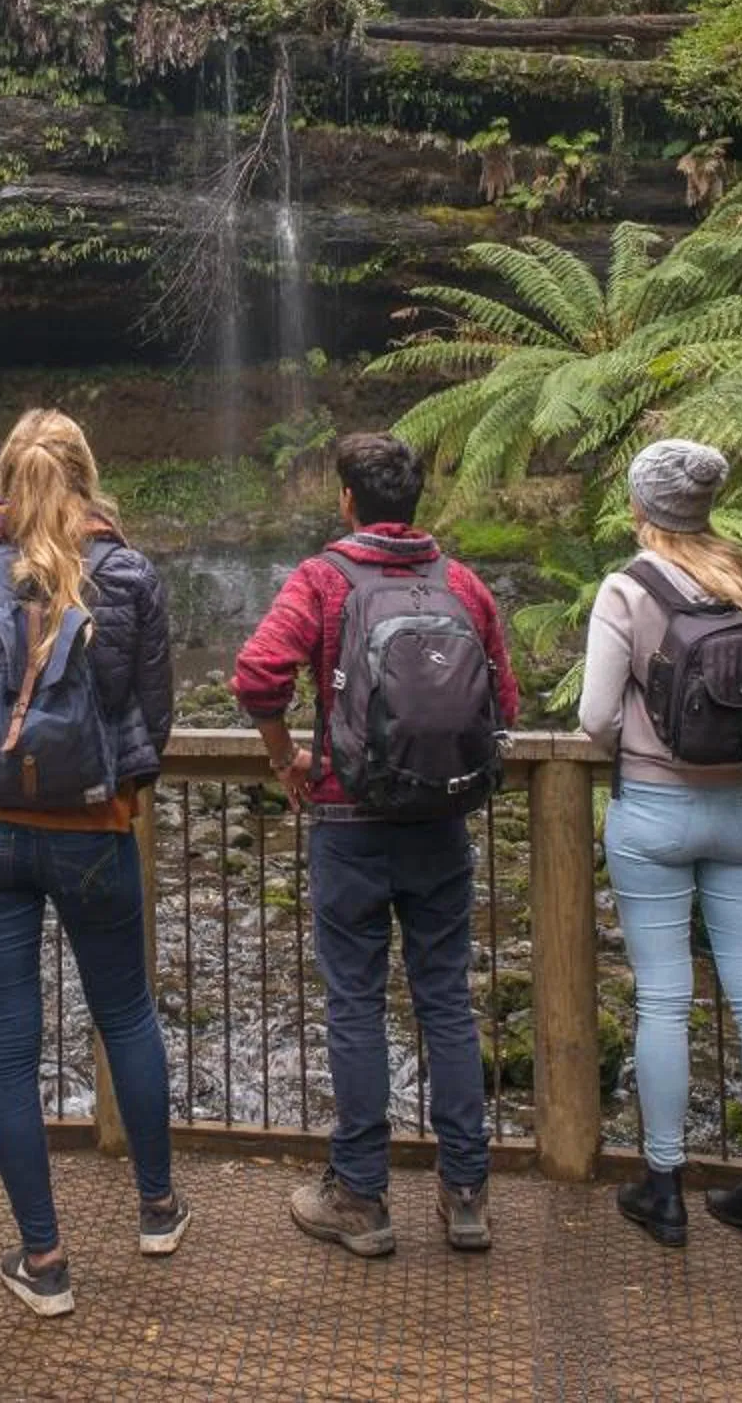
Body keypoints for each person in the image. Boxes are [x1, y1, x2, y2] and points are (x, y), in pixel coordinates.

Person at [0, 409, 182, 1318]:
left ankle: (45, 1260)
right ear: (86, 475)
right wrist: (115, 793)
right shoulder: (131, 575)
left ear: (3, 478)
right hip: (95, 831)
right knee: (127, 1014)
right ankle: (156, 1209)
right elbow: (155, 715)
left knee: (7, 1045)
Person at [233, 430, 518, 1259]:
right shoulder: (462, 582)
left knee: (356, 1004)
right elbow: (504, 698)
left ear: (348, 500)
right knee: (446, 1002)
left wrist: (285, 755)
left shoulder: (324, 579)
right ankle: (466, 1194)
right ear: (417, 498)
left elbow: (257, 674)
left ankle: (360, 1196)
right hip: (439, 825)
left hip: (347, 822)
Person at [583, 438, 742, 1255]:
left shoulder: (627, 588)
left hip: (652, 812)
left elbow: (593, 718)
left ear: (644, 509)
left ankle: (665, 1188)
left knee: (663, 1001)